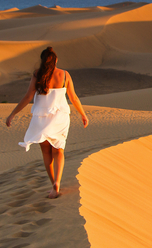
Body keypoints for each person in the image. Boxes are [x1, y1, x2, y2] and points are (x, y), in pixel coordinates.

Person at [6, 47, 89, 198]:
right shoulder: (64, 75)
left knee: (46, 152)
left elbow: (27, 97)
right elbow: (74, 98)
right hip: (60, 117)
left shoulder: (38, 75)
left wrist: (13, 114)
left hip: (41, 117)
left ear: (43, 60)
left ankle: (53, 185)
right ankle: (57, 182)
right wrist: (83, 114)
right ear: (56, 60)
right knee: (58, 151)